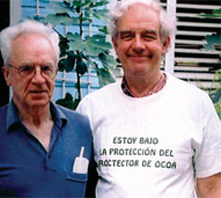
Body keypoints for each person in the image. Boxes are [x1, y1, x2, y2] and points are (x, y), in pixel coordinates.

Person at [77, 0, 221, 197]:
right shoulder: (91, 108)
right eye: (128, 36)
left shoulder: (196, 104)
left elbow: (213, 189)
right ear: (115, 44)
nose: (138, 45)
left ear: (165, 43)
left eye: (148, 36)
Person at [0, 20, 97, 197]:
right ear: (7, 75)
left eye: (46, 68)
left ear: (55, 72)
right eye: (27, 69)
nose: (38, 79)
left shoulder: (80, 128)